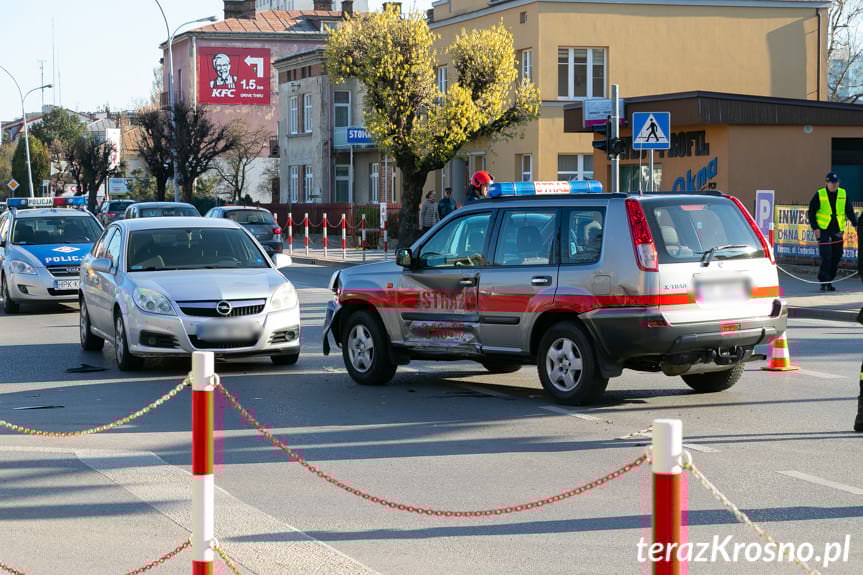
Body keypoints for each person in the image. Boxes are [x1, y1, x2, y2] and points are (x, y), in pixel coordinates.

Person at [807, 172, 858, 292]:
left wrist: (855, 224)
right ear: (827, 183)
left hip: (837, 230)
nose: (834, 185)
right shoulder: (820, 194)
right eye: (832, 183)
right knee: (826, 256)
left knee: (837, 255)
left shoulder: (843, 193)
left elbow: (849, 210)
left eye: (836, 183)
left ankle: (829, 279)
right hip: (823, 230)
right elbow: (811, 212)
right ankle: (824, 281)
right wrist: (816, 228)